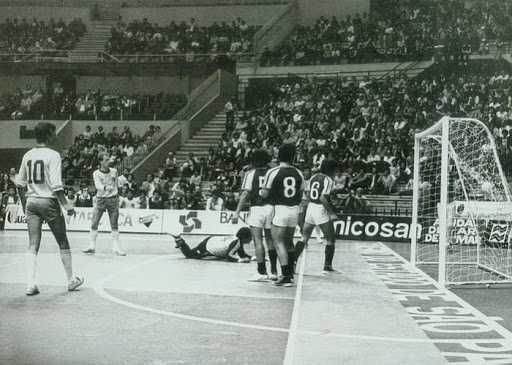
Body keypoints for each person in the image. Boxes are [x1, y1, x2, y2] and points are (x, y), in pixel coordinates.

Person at [15, 122, 84, 296]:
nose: (56, 136)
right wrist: (67, 206)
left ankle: (30, 284)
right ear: (47, 135)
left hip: (31, 202)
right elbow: (57, 187)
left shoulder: (27, 155)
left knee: (33, 244)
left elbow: (19, 184)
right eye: (53, 133)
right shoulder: (53, 155)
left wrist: (24, 204)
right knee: (63, 241)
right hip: (49, 202)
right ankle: (70, 281)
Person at [260, 144, 304, 287]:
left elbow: (264, 193)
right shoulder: (299, 172)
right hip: (294, 210)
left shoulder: (273, 172)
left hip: (280, 209)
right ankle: (290, 273)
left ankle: (285, 275)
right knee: (289, 242)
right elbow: (302, 193)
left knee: (278, 242)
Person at [233, 149, 277, 281]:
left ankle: (261, 272)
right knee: (271, 241)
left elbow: (245, 194)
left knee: (258, 242)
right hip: (271, 208)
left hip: (257, 209)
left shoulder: (250, 174)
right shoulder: (273, 173)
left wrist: (237, 212)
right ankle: (274, 271)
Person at [294, 159, 341, 274]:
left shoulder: (313, 178)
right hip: (320, 208)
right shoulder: (328, 180)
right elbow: (323, 198)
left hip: (311, 207)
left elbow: (309, 195)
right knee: (330, 238)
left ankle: (292, 262)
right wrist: (331, 213)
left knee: (304, 237)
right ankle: (327, 266)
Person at [82, 152, 126, 256]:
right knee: (94, 223)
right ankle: (92, 246)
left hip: (113, 200)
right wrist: (106, 188)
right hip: (101, 199)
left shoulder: (114, 171)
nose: (108, 161)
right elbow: (97, 185)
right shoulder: (96, 173)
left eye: (109, 159)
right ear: (100, 161)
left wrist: (116, 190)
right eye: (106, 160)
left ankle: (116, 248)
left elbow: (116, 184)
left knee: (114, 224)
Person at [168, 227, 254, 263]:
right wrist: (239, 260)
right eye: (250, 237)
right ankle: (179, 240)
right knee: (190, 255)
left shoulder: (237, 241)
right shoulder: (237, 243)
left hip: (212, 240)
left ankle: (179, 240)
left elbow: (242, 254)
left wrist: (252, 258)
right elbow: (228, 256)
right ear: (244, 237)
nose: (251, 239)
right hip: (208, 246)